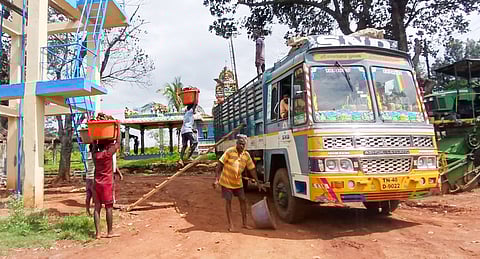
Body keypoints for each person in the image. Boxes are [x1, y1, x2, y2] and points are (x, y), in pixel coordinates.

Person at [213, 134, 264, 232]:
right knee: (229, 202)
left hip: (237, 182)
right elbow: (219, 165)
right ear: (236, 143)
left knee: (243, 200)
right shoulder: (229, 151)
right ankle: (231, 224)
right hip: (226, 181)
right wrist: (216, 179)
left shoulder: (246, 155)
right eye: (240, 144)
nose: (242, 146)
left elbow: (252, 169)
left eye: (243, 144)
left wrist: (258, 182)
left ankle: (244, 224)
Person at [92, 125, 121, 239]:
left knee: (97, 208)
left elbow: (93, 144)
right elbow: (118, 143)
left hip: (96, 183)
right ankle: (110, 232)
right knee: (109, 207)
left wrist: (95, 135)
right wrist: (117, 127)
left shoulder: (95, 155)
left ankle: (98, 233)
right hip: (107, 183)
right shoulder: (108, 154)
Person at [85, 144, 95, 216]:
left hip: (88, 177)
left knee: (88, 195)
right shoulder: (94, 155)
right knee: (95, 195)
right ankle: (96, 211)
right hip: (93, 177)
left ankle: (87, 210)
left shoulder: (88, 155)